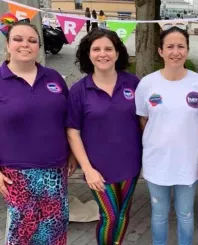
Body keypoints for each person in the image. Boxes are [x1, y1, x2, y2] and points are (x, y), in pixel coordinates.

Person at [0, 20, 77, 245]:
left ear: (39, 47)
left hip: (55, 170)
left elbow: (67, 119)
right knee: (23, 234)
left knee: (54, 230)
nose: (26, 45)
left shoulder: (53, 78)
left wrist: (71, 152)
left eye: (32, 40)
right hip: (17, 174)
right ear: (8, 45)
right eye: (18, 39)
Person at [135, 26, 198, 245]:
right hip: (156, 161)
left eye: (181, 46)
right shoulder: (147, 84)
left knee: (185, 214)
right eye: (170, 46)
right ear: (160, 51)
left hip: (188, 162)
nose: (175, 52)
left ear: (187, 50)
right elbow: (144, 121)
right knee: (159, 213)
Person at [67, 29, 141, 245]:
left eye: (109, 48)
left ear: (117, 53)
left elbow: (145, 120)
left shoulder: (133, 83)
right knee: (109, 216)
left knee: (123, 213)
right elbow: (73, 132)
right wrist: (87, 169)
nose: (103, 54)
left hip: (130, 164)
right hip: (98, 168)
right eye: (96, 49)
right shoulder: (79, 90)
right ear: (88, 54)